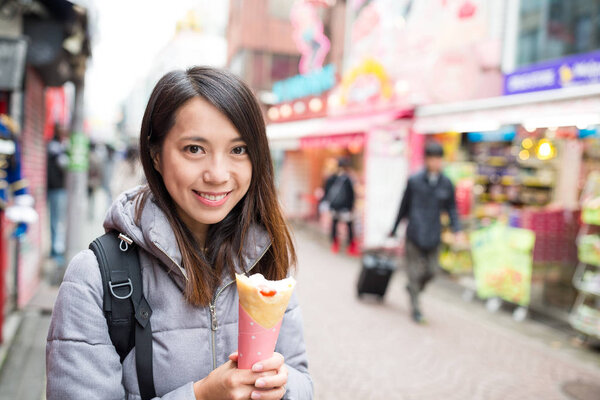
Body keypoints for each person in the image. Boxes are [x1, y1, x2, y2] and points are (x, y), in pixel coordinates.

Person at [46, 67, 313, 399]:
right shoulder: (94, 277)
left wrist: (282, 387)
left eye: (238, 150)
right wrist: (200, 396)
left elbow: (300, 376)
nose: (218, 174)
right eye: (194, 149)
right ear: (156, 155)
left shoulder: (262, 258)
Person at [389, 141, 462, 324]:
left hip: (433, 234)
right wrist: (394, 228)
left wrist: (457, 229)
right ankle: (416, 309)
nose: (436, 163)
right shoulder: (414, 181)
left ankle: (413, 289)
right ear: (426, 160)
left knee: (432, 271)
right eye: (433, 159)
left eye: (439, 159)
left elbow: (452, 209)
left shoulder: (446, 183)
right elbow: (403, 206)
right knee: (413, 273)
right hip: (414, 233)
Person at [321, 157, 359, 256]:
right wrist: (351, 206)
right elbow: (352, 194)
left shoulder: (331, 178)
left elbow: (326, 192)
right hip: (345, 207)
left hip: (334, 206)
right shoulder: (347, 178)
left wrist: (328, 204)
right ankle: (351, 247)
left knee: (334, 224)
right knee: (349, 225)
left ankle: (335, 245)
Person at [46, 124, 69, 263]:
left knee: (55, 220)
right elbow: (64, 164)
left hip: (55, 188)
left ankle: (55, 248)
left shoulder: (55, 147)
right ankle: (57, 250)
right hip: (57, 188)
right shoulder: (56, 148)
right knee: (57, 221)